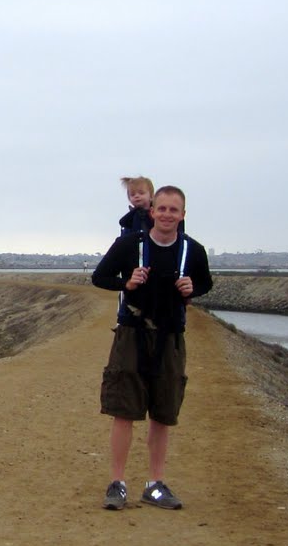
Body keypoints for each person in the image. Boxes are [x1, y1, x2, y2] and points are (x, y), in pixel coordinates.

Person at [90, 185, 212, 510]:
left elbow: (206, 282)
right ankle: (117, 483)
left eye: (174, 210)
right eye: (162, 209)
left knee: (163, 412)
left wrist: (192, 289)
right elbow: (99, 277)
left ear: (183, 215)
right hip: (132, 333)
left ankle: (155, 485)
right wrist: (125, 284)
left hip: (171, 336)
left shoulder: (193, 250)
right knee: (124, 410)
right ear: (152, 212)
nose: (167, 215)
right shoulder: (130, 245)